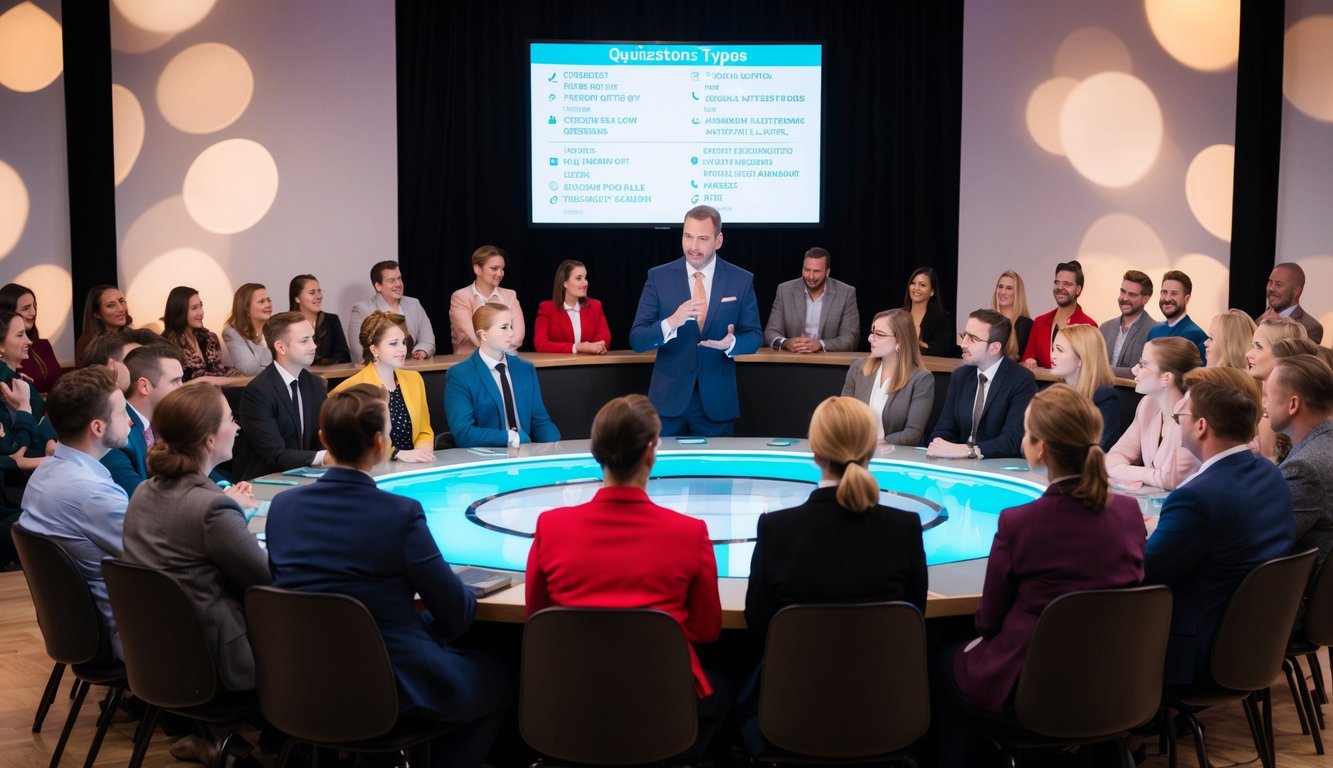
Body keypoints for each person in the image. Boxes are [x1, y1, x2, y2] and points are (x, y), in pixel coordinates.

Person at [267, 384, 511, 768]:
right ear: (380, 443)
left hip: (303, 675)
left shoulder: (282, 508)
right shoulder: (399, 514)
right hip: (393, 680)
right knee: (500, 676)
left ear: (322, 439)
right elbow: (457, 614)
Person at [937, 385, 1145, 766]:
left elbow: (988, 620)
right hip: (1112, 681)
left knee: (941, 663)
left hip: (1031, 688)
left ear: (1041, 449)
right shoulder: (1129, 514)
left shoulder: (1021, 522)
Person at [526, 394, 725, 764]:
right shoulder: (690, 533)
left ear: (597, 450)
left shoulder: (551, 527)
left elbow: (538, 618)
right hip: (663, 713)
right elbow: (707, 629)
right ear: (651, 452)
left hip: (568, 709)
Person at [1145, 367, 1295, 686]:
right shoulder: (1271, 476)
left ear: (1201, 426)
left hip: (1194, 649)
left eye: (1179, 416)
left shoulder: (1197, 499)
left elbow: (1144, 572)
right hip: (1254, 644)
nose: (1175, 422)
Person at [121, 383, 270, 690]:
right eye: (231, 418)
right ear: (210, 439)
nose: (238, 426)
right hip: (219, 659)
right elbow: (269, 580)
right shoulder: (212, 507)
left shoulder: (143, 491)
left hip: (157, 653)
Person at [746, 395, 927, 638]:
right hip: (882, 674)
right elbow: (914, 619)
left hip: (794, 674)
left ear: (815, 454)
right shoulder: (905, 529)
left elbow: (758, 622)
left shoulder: (775, 530)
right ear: (871, 451)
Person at [17, 367, 131, 656]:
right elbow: (157, 556)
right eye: (121, 413)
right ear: (98, 427)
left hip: (75, 627)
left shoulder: (44, 474)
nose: (130, 420)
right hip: (130, 632)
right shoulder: (94, 493)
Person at [629, 205, 762, 436]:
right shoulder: (658, 277)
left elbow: (754, 336)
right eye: (688, 237)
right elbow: (638, 339)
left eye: (702, 238)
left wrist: (730, 344)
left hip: (717, 404)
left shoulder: (741, 280)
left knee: (716, 473)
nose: (693, 247)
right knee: (664, 472)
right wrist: (671, 322)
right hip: (667, 404)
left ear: (718, 240)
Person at [444, 303, 559, 448]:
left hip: (526, 455)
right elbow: (463, 434)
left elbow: (541, 422)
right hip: (486, 460)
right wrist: (513, 438)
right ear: (483, 335)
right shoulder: (460, 375)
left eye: (511, 326)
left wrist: (553, 444)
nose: (511, 333)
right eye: (504, 327)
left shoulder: (525, 369)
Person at [927, 309, 1036, 459]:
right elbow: (943, 429)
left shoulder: (1021, 380)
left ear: (994, 348)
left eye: (972, 339)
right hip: (960, 466)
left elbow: (1012, 441)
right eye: (964, 335)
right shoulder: (960, 376)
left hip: (998, 469)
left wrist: (967, 451)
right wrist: (938, 446)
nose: (963, 344)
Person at [231, 312, 327, 480]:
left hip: (310, 477)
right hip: (268, 481)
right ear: (281, 347)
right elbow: (275, 455)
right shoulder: (258, 392)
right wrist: (323, 457)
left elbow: (322, 437)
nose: (314, 346)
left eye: (312, 338)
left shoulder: (316, 384)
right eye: (305, 341)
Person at [333, 311, 435, 461]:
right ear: (374, 350)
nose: (402, 349)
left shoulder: (414, 379)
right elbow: (352, 443)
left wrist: (422, 454)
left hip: (414, 468)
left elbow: (425, 431)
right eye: (394, 343)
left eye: (404, 342)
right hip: (373, 469)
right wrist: (396, 454)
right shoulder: (352, 388)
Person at [1106, 337, 1202, 491]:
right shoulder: (1147, 405)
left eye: (1143, 364)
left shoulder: (1193, 416)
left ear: (1166, 378)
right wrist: (1151, 474)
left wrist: (1132, 474)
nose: (1134, 369)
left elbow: (1172, 480)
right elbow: (1111, 459)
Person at [1267, 355, 1333, 566]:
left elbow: (1265, 541)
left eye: (1267, 395)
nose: (1263, 404)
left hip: (1301, 594)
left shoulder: (1304, 468)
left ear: (1293, 404)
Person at [101, 344, 185, 496]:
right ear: (144, 386)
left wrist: (225, 489)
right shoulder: (116, 430)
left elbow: (192, 466)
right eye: (175, 381)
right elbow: (140, 495)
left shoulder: (166, 421)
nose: (183, 388)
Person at [840, 309, 933, 445]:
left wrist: (875, 444)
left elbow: (913, 433)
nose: (870, 338)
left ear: (900, 341)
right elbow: (842, 414)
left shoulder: (921, 379)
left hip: (895, 459)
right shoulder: (858, 367)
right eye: (873, 332)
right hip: (856, 451)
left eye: (880, 334)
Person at [763, 247, 860, 353]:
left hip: (829, 364)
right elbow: (771, 332)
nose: (811, 276)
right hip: (792, 361)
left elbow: (851, 338)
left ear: (827, 272)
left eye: (817, 271)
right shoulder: (784, 290)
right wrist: (786, 343)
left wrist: (821, 344)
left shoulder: (846, 293)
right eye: (807, 270)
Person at [0, 310, 57, 473]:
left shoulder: (16, 379)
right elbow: (13, 450)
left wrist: (48, 439)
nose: (29, 341)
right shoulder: (7, 383)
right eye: (20, 335)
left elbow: (40, 418)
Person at [1049, 324, 1121, 449]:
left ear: (1081, 358)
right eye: (1053, 348)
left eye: (1059, 350)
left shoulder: (1105, 398)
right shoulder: (1054, 393)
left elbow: (1097, 449)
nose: (1052, 355)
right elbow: (1029, 443)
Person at [348, 260, 436, 361]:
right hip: (378, 372)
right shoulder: (362, 309)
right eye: (391, 280)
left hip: (412, 369)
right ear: (378, 286)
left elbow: (427, 339)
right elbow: (359, 351)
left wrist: (420, 351)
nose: (398, 284)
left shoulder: (414, 304)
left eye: (399, 278)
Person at [1248, 318, 1308, 459]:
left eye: (1259, 346)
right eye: (1252, 346)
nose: (1249, 354)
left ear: (1282, 353)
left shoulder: (1278, 415)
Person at [1021, 260, 1097, 370]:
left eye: (1067, 284)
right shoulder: (1040, 322)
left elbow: (1092, 369)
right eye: (1057, 282)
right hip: (1043, 386)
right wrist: (1028, 361)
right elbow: (1027, 356)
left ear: (1078, 289)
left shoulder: (1089, 326)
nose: (1060, 287)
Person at [449, 246, 523, 356]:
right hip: (471, 363)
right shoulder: (460, 297)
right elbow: (476, 338)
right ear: (477, 269)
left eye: (502, 269)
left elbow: (518, 337)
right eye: (494, 268)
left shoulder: (510, 295)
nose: (500, 273)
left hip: (508, 361)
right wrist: (504, 341)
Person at [533, 259, 612, 354]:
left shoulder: (595, 306)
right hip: (560, 367)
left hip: (590, 365)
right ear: (565, 283)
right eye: (579, 278)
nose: (585, 283)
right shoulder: (547, 308)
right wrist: (577, 347)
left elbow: (605, 337)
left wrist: (598, 347)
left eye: (585, 278)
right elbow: (541, 344)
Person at [162, 286, 235, 383]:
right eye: (194, 308)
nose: (201, 312)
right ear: (179, 312)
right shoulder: (167, 346)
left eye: (201, 306)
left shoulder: (209, 338)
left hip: (217, 394)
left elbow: (219, 371)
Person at [0, 283, 63, 393]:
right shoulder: (6, 352)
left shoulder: (43, 345)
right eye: (26, 308)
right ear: (8, 313)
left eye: (34, 306)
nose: (33, 312)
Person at [1098, 270, 1156, 378]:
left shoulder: (1154, 331)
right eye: (1122, 291)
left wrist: (1101, 370)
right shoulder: (1104, 328)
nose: (1124, 298)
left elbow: (1141, 373)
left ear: (1146, 299)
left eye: (1132, 295)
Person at [1145, 270, 1208, 365]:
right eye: (1164, 292)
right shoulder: (1154, 332)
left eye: (1174, 293)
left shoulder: (1197, 336)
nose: (1167, 299)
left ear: (1187, 299)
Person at [289, 274, 351, 365]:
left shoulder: (331, 320)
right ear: (297, 298)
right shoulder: (286, 324)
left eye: (319, 291)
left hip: (331, 377)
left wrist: (329, 362)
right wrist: (318, 362)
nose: (319, 296)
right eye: (312, 293)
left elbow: (343, 354)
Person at [1259, 262, 1324, 343]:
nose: (1271, 289)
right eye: (1270, 282)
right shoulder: (1259, 320)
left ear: (1296, 291)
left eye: (1278, 285)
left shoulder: (1309, 327)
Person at [221, 283, 274, 375]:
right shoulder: (232, 333)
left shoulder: (275, 327)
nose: (268, 305)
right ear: (246, 309)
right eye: (261, 302)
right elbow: (249, 370)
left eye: (268, 300)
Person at [74, 284, 131, 367]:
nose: (121, 309)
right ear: (97, 314)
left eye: (121, 301)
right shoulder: (88, 345)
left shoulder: (133, 337)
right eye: (111, 305)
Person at [903, 266, 954, 357]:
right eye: (913, 283)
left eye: (922, 285)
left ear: (932, 292)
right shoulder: (898, 315)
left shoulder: (942, 318)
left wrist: (916, 343)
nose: (916, 288)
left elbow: (940, 349)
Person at [991, 270, 1032, 362]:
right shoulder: (986, 321)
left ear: (1017, 293)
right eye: (1000, 286)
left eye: (1009, 288)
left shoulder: (1026, 325)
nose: (1002, 292)